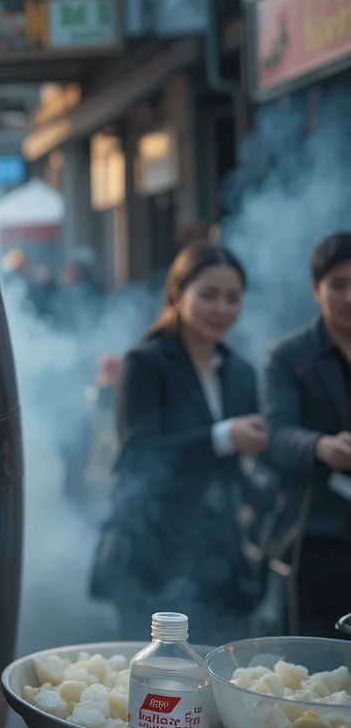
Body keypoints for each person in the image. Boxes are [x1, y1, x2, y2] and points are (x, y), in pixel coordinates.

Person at [92, 244, 268, 645]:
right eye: (208, 295)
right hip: (152, 547)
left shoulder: (240, 372)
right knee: (153, 686)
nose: (221, 307)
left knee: (216, 682)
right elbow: (141, 453)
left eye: (233, 298)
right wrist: (223, 436)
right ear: (177, 294)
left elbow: (242, 462)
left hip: (218, 555)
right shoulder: (145, 363)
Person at [261, 232, 351, 639]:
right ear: (317, 289)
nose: (349, 297)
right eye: (338, 285)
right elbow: (276, 435)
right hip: (315, 532)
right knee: (314, 657)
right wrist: (321, 446)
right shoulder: (288, 356)